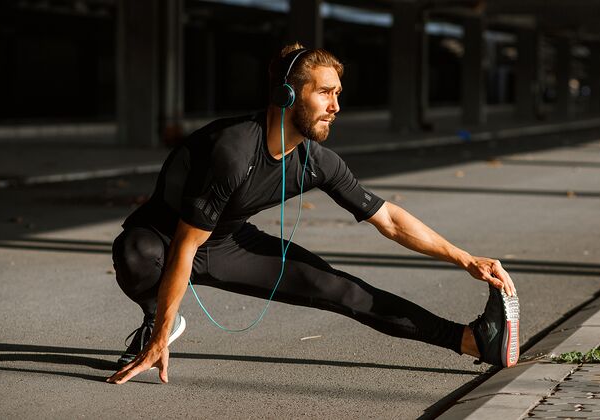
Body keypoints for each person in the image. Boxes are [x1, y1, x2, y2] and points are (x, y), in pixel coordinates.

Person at [107, 43, 519, 385]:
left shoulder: (317, 161)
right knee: (133, 251)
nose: (336, 106)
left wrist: (464, 257)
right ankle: (157, 318)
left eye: (337, 93)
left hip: (227, 242)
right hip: (166, 238)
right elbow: (184, 244)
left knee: (341, 290)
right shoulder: (232, 153)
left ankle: (471, 341)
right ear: (287, 94)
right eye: (325, 92)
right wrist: (162, 332)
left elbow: (389, 220)